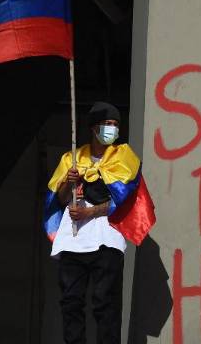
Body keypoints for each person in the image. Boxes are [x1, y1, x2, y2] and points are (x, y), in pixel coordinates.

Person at [44, 101, 137, 344]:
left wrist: (90, 212)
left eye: (116, 125)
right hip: (74, 239)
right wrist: (68, 181)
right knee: (71, 301)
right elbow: (59, 199)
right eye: (107, 124)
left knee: (105, 301)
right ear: (94, 128)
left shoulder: (124, 157)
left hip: (107, 236)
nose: (112, 129)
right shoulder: (72, 158)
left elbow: (124, 199)